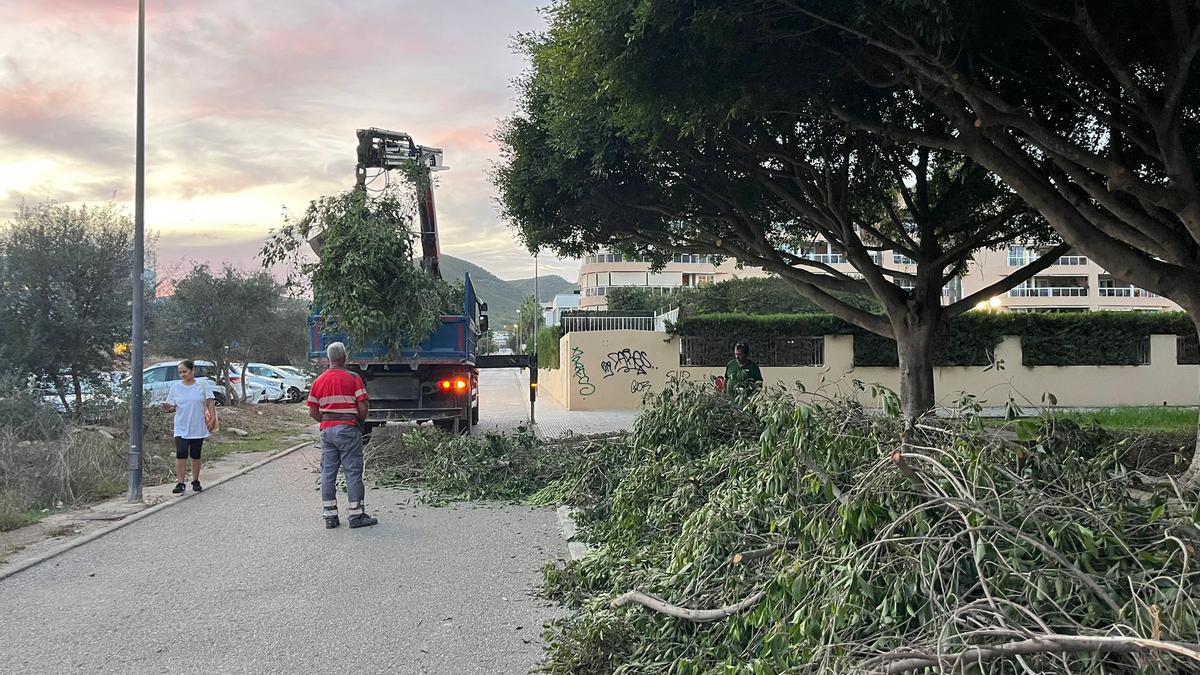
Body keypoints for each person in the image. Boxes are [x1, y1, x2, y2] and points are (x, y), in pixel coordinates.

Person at [307, 342, 378, 529]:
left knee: (328, 473)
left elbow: (312, 411)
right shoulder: (353, 378)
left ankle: (330, 516)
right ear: (345, 357)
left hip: (327, 430)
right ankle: (356, 515)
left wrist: (326, 421)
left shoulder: (318, 381)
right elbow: (363, 405)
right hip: (348, 428)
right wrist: (359, 422)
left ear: (329, 358)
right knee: (352, 472)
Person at [161, 359, 216, 494]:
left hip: (197, 425)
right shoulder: (175, 387)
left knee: (195, 454)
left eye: (185, 371)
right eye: (180, 372)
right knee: (181, 453)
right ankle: (180, 482)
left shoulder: (202, 385)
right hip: (181, 425)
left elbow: (210, 402)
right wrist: (167, 407)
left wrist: (213, 417)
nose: (182, 375)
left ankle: (195, 480)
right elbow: (171, 405)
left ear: (193, 370)